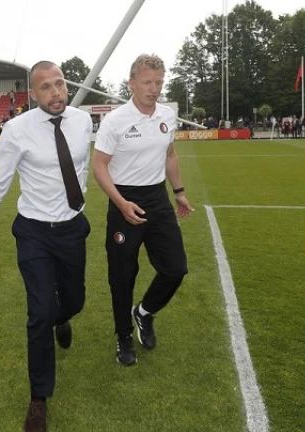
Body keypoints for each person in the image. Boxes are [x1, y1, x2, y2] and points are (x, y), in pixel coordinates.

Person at [0, 60, 93, 432]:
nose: (56, 93)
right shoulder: (16, 130)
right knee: (39, 314)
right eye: (46, 88)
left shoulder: (83, 121)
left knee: (74, 301)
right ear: (33, 94)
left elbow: (87, 167)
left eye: (60, 84)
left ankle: (62, 317)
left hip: (72, 229)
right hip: (34, 233)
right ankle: (39, 398)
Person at [92, 54, 194, 367]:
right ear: (132, 83)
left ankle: (144, 313)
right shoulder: (115, 121)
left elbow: (171, 155)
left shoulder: (166, 115)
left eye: (159, 82)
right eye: (147, 82)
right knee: (122, 276)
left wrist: (179, 193)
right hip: (124, 200)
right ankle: (123, 336)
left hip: (157, 199)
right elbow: (99, 166)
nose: (154, 89)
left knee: (175, 268)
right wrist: (121, 203)